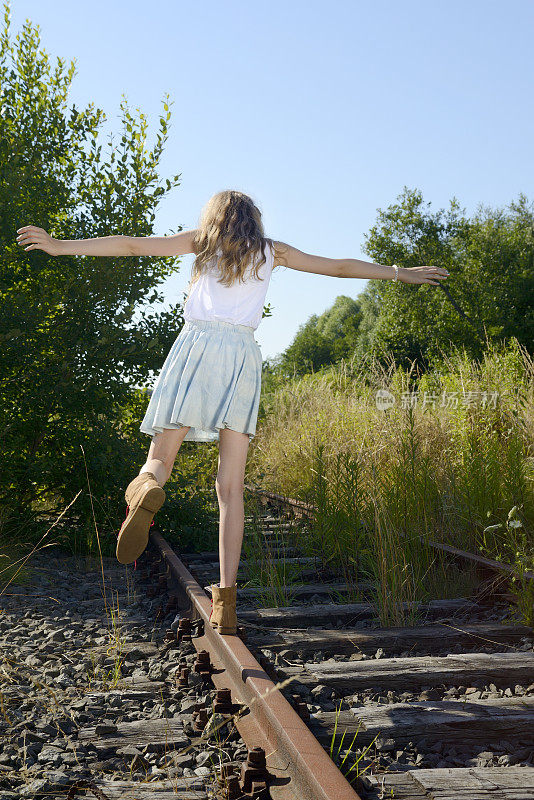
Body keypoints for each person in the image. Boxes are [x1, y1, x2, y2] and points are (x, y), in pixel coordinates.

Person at [15, 189, 450, 634]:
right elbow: (337, 267)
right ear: (254, 221)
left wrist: (59, 245)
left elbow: (130, 243)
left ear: (215, 217)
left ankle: (146, 486)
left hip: (196, 348)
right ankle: (225, 602)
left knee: (160, 458)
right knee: (231, 489)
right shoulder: (271, 252)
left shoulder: (200, 242)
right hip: (241, 358)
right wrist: (400, 273)